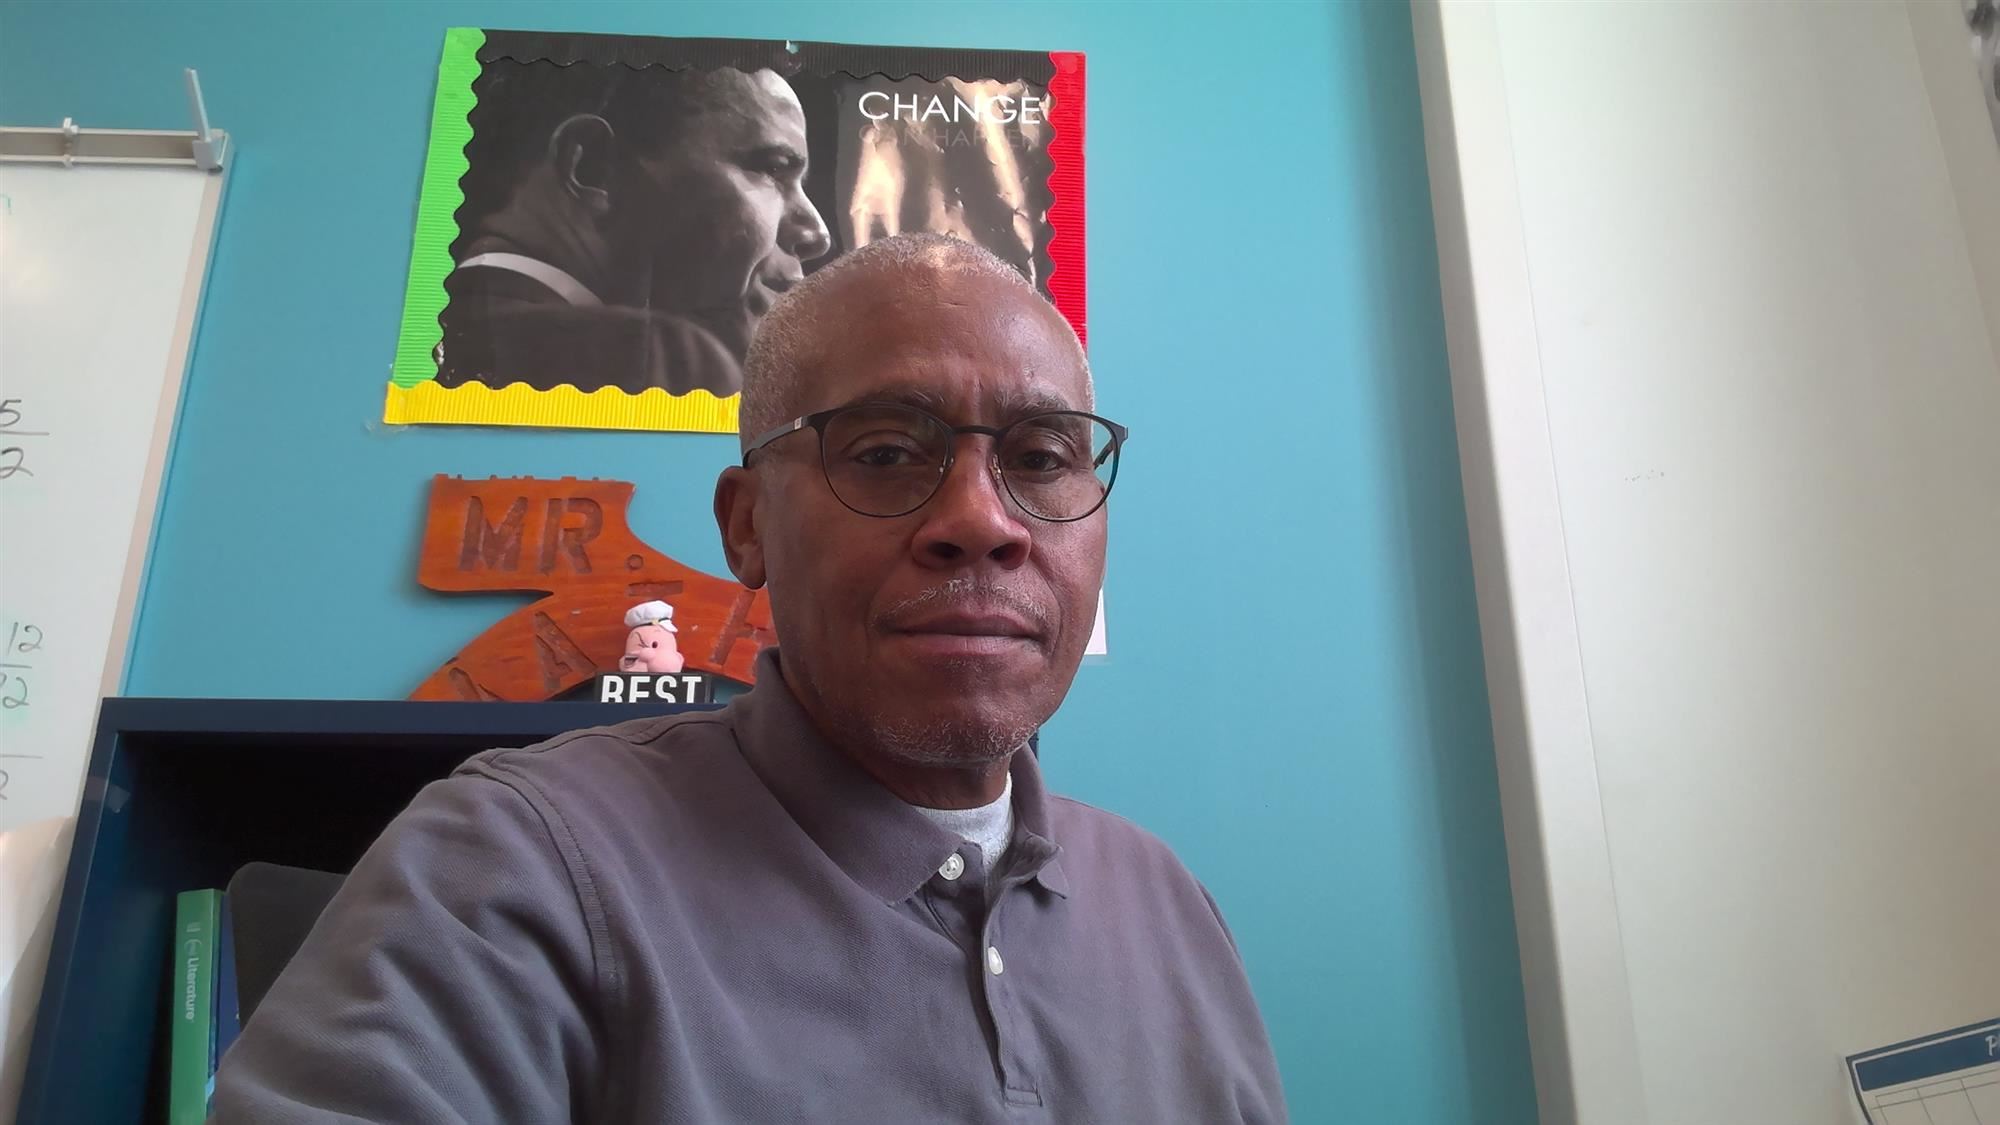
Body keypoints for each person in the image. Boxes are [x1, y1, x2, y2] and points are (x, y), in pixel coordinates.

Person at [212, 233, 1287, 1123]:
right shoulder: (511, 866)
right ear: (747, 526)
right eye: (884, 452)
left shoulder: (1169, 904)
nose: (979, 521)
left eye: (1043, 458)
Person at [437, 64, 832, 395]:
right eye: (774, 169)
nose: (818, 234)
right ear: (595, 167)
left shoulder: (438, 329)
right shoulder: (667, 360)